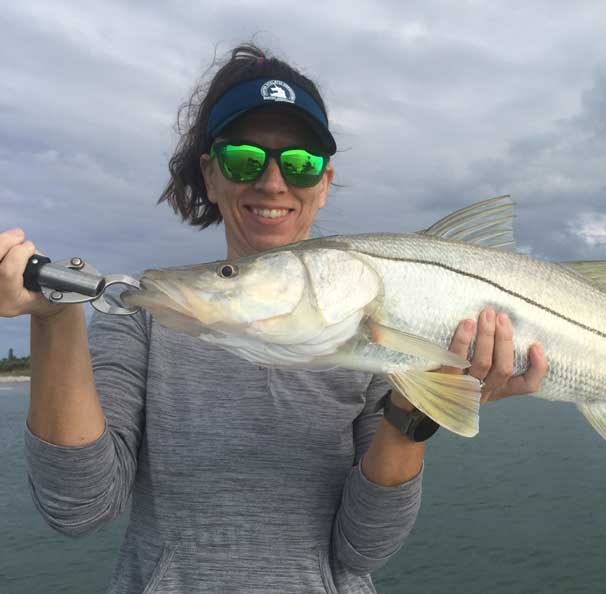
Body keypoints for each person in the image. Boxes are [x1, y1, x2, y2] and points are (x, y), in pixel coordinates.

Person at [0, 43, 547, 593]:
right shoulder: (145, 318)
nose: (272, 182)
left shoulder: (375, 318)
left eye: (300, 163)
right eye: (244, 158)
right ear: (211, 176)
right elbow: (79, 509)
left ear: (324, 183)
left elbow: (362, 549)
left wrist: (415, 407)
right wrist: (53, 322)